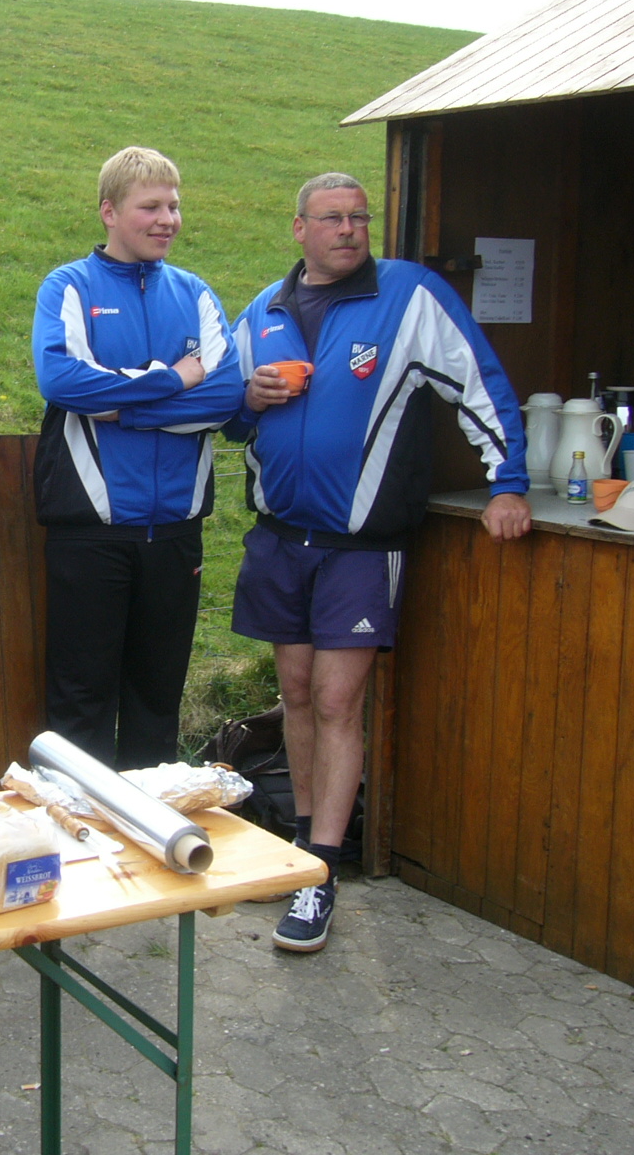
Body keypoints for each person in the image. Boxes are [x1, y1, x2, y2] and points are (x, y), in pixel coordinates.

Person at [228, 172, 532, 954]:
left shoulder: (409, 295)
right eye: (332, 218)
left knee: (338, 701)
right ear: (299, 228)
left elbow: (480, 380)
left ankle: (322, 874)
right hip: (280, 537)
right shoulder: (263, 312)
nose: (349, 229)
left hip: (361, 546)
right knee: (296, 693)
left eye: (359, 216)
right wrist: (250, 398)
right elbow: (227, 414)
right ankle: (299, 848)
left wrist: (508, 482)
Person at [32, 147, 244, 771]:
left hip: (176, 532)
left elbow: (226, 395)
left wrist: (126, 409)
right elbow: (63, 382)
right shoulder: (69, 286)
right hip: (91, 533)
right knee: (81, 703)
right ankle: (80, 826)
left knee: (157, 702)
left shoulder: (194, 292)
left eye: (173, 206)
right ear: (109, 212)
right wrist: (174, 378)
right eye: (150, 207)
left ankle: (151, 825)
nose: (167, 219)